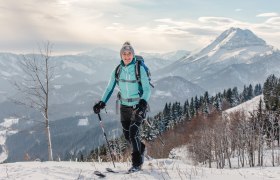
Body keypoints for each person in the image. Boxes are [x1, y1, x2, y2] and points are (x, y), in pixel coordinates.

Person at [93, 41, 151, 173]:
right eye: (124, 54)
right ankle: (141, 150)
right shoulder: (117, 70)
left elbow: (147, 89)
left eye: (129, 53)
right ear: (121, 55)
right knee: (127, 135)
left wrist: (143, 104)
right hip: (124, 106)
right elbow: (109, 88)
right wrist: (101, 103)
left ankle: (137, 163)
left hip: (138, 106)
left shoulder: (138, 68)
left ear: (133, 54)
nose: (127, 56)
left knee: (133, 132)